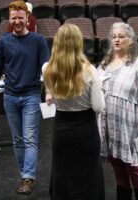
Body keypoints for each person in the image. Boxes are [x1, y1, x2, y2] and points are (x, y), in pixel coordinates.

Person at [0, 0, 50, 195]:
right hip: (10, 96)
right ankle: (25, 174)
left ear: (28, 18)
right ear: (9, 19)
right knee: (17, 140)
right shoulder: (3, 42)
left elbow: (46, 69)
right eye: (13, 18)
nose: (17, 21)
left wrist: (49, 91)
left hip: (31, 95)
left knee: (30, 139)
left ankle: (27, 177)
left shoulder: (39, 41)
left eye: (20, 18)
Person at [97, 22, 138, 200]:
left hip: (130, 123)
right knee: (116, 162)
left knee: (133, 165)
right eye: (114, 36)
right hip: (108, 122)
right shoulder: (104, 63)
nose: (117, 39)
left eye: (121, 36)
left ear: (130, 40)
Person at [42, 23, 105, 200]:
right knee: (87, 176)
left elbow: (51, 94)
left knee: (63, 173)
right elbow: (98, 108)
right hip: (85, 130)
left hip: (61, 129)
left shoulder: (47, 69)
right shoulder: (90, 70)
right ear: (78, 43)